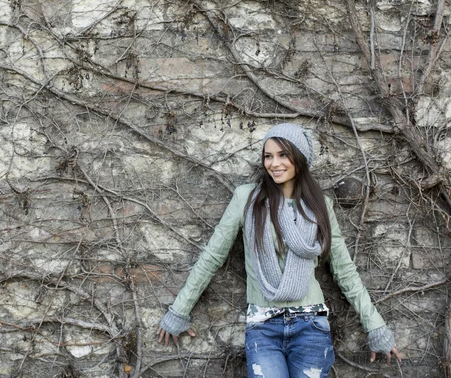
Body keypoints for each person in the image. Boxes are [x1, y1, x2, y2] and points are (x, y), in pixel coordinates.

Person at [156, 123, 401, 377]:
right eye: (268, 156)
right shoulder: (246, 199)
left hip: (311, 326)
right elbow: (212, 257)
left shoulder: (320, 206)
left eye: (283, 155)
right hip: (263, 327)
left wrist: (376, 327)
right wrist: (179, 310)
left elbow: (344, 271)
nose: (274, 163)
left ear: (299, 158)